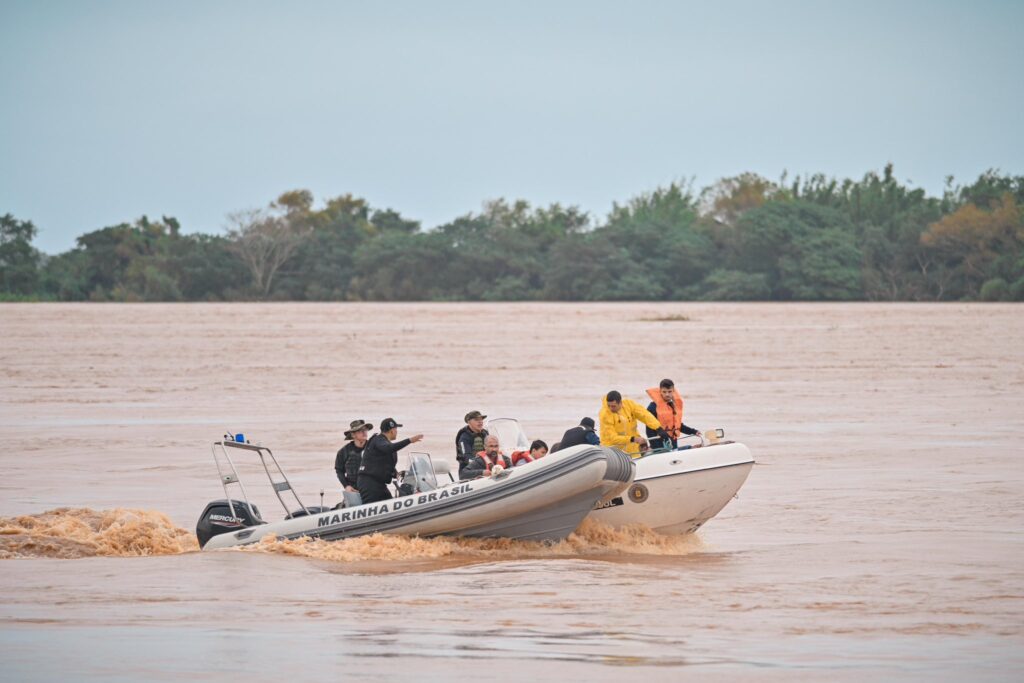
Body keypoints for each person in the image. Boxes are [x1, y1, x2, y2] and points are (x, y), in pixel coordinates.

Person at [356, 417, 423, 504]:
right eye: (396, 429)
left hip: (379, 484)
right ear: (392, 430)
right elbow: (388, 448)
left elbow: (384, 463)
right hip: (369, 483)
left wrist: (397, 474)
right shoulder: (378, 440)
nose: (397, 432)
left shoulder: (384, 443)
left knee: (390, 504)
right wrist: (409, 440)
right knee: (374, 508)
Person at [599, 390, 671, 457]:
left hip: (632, 450)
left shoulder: (629, 405)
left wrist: (658, 428)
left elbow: (644, 415)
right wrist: (634, 439)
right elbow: (613, 438)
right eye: (609, 406)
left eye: (613, 406)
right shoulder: (605, 415)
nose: (611, 408)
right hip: (613, 452)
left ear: (620, 403)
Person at [645, 378, 700, 449]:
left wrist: (693, 432)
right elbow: (649, 431)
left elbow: (678, 425)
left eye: (669, 391)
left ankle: (690, 448)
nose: (667, 394)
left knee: (691, 448)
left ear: (673, 391)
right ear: (660, 391)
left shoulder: (672, 406)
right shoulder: (652, 407)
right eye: (664, 392)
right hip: (659, 446)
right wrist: (657, 448)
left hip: (673, 444)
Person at [335, 419, 372, 492]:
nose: (364, 432)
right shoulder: (343, 452)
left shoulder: (373, 448)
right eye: (360, 430)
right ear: (353, 434)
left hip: (372, 489)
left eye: (365, 430)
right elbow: (339, 470)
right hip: (354, 490)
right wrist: (346, 486)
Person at [455, 410, 488, 477]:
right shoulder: (464, 438)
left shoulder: (485, 433)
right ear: (469, 422)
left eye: (481, 419)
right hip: (467, 471)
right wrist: (482, 464)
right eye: (476, 419)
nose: (480, 422)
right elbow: (466, 457)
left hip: (485, 466)